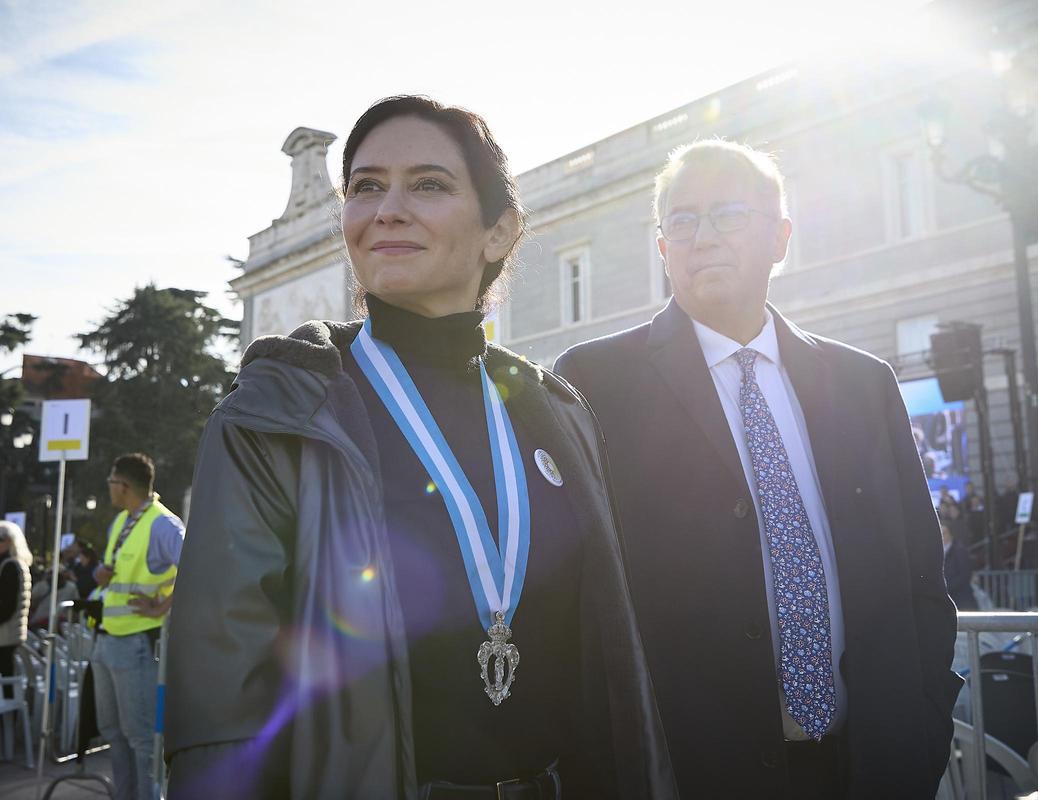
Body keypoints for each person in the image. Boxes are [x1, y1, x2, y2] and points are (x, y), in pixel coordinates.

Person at [165, 95, 674, 800]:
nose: (387, 209)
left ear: (499, 232)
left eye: (428, 185)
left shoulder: (556, 413)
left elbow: (615, 670)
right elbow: (223, 707)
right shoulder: (276, 416)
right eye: (366, 187)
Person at [556, 139, 961, 800]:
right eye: (682, 221)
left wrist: (924, 729)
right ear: (662, 248)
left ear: (780, 239)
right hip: (692, 773)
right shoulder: (596, 382)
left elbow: (919, 578)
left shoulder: (862, 384)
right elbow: (575, 602)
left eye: (728, 215)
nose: (703, 237)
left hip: (867, 768)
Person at [93, 453, 185, 800]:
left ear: (124, 486)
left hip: (136, 644)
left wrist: (160, 607)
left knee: (141, 739)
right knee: (113, 733)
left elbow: (195, 567)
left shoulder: (164, 525)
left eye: (111, 482)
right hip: (107, 639)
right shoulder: (122, 521)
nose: (108, 488)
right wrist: (101, 574)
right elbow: (113, 571)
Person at [0, 521, 32, 700]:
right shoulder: (11, 564)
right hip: (7, 634)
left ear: (10, 541)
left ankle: (8, 715)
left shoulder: (11, 565)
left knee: (6, 683)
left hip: (6, 636)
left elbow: (7, 606)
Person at [941, 524, 976, 611]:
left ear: (950, 534)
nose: (942, 536)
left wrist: (947, 587)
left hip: (961, 598)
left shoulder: (959, 550)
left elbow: (965, 575)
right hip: (949, 597)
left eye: (944, 533)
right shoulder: (940, 551)